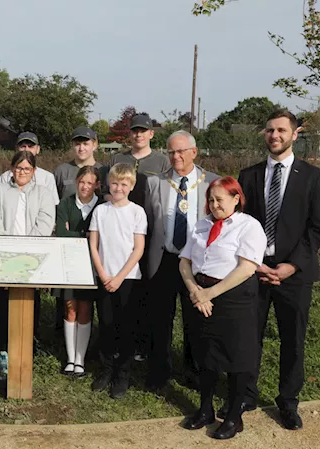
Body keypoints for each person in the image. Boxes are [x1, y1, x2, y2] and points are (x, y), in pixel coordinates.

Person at [236, 109, 320, 430]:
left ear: (294, 134)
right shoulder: (247, 175)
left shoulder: (313, 177)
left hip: (295, 275)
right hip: (255, 270)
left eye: (281, 130)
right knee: (249, 336)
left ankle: (288, 402)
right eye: (269, 130)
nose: (274, 136)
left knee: (293, 340)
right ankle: (246, 393)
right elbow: (240, 224)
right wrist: (254, 262)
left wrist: (291, 266)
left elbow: (316, 228)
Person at [179, 177, 267, 440]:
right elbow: (184, 261)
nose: (214, 205)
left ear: (236, 198)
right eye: (211, 200)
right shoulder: (202, 224)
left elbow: (246, 267)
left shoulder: (248, 226)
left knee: (236, 357)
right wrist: (196, 291)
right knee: (205, 355)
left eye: (220, 199)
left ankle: (233, 417)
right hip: (201, 295)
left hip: (233, 297)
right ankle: (205, 409)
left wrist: (210, 293)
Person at [144, 130, 219, 391]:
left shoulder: (212, 183)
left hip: (197, 263)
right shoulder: (156, 183)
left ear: (194, 152)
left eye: (181, 151)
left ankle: (193, 371)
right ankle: (159, 372)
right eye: (171, 152)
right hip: (164, 259)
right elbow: (150, 224)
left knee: (194, 318)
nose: (176, 156)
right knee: (160, 319)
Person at [109, 113, 170, 363]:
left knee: (145, 290)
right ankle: (117, 342)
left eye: (143, 130)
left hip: (150, 231)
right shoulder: (118, 158)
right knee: (120, 290)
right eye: (135, 130)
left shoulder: (162, 161)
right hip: (120, 232)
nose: (139, 135)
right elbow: (108, 190)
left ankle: (142, 345)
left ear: (151, 134)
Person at [0, 151, 55, 378]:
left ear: (34, 171)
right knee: (2, 304)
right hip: (4, 256)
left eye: (27, 169)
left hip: (31, 257)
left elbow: (45, 223)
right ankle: (3, 350)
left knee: (30, 302)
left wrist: (26, 250)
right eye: (19, 168)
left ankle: (28, 347)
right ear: (11, 168)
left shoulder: (43, 193)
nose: (22, 173)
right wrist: (10, 250)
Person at [89, 163, 147, 399]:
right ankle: (106, 369)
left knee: (126, 327)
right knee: (106, 324)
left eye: (124, 184)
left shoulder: (137, 212)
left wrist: (120, 276)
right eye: (115, 183)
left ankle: (122, 373)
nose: (119, 188)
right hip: (105, 277)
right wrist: (103, 274)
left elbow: (138, 248)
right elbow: (93, 245)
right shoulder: (101, 211)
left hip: (128, 279)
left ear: (131, 186)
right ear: (107, 184)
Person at [55, 166, 104, 377]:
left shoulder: (102, 206)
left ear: (98, 185)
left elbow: (101, 238)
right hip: (69, 263)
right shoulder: (65, 204)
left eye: (90, 183)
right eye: (82, 182)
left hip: (92, 265)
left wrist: (76, 234)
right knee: (70, 308)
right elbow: (61, 234)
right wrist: (85, 235)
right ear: (76, 182)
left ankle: (81, 359)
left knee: (85, 309)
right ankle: (70, 358)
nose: (85, 187)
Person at [0, 132, 59, 205]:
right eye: (23, 146)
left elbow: (53, 204)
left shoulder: (47, 178)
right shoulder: (5, 177)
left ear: (38, 149)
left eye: (30, 146)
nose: (26, 149)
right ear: (17, 149)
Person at [54, 126, 105, 200]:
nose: (81, 148)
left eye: (85, 144)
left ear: (94, 146)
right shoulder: (61, 171)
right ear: (72, 146)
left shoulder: (103, 171)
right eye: (77, 144)